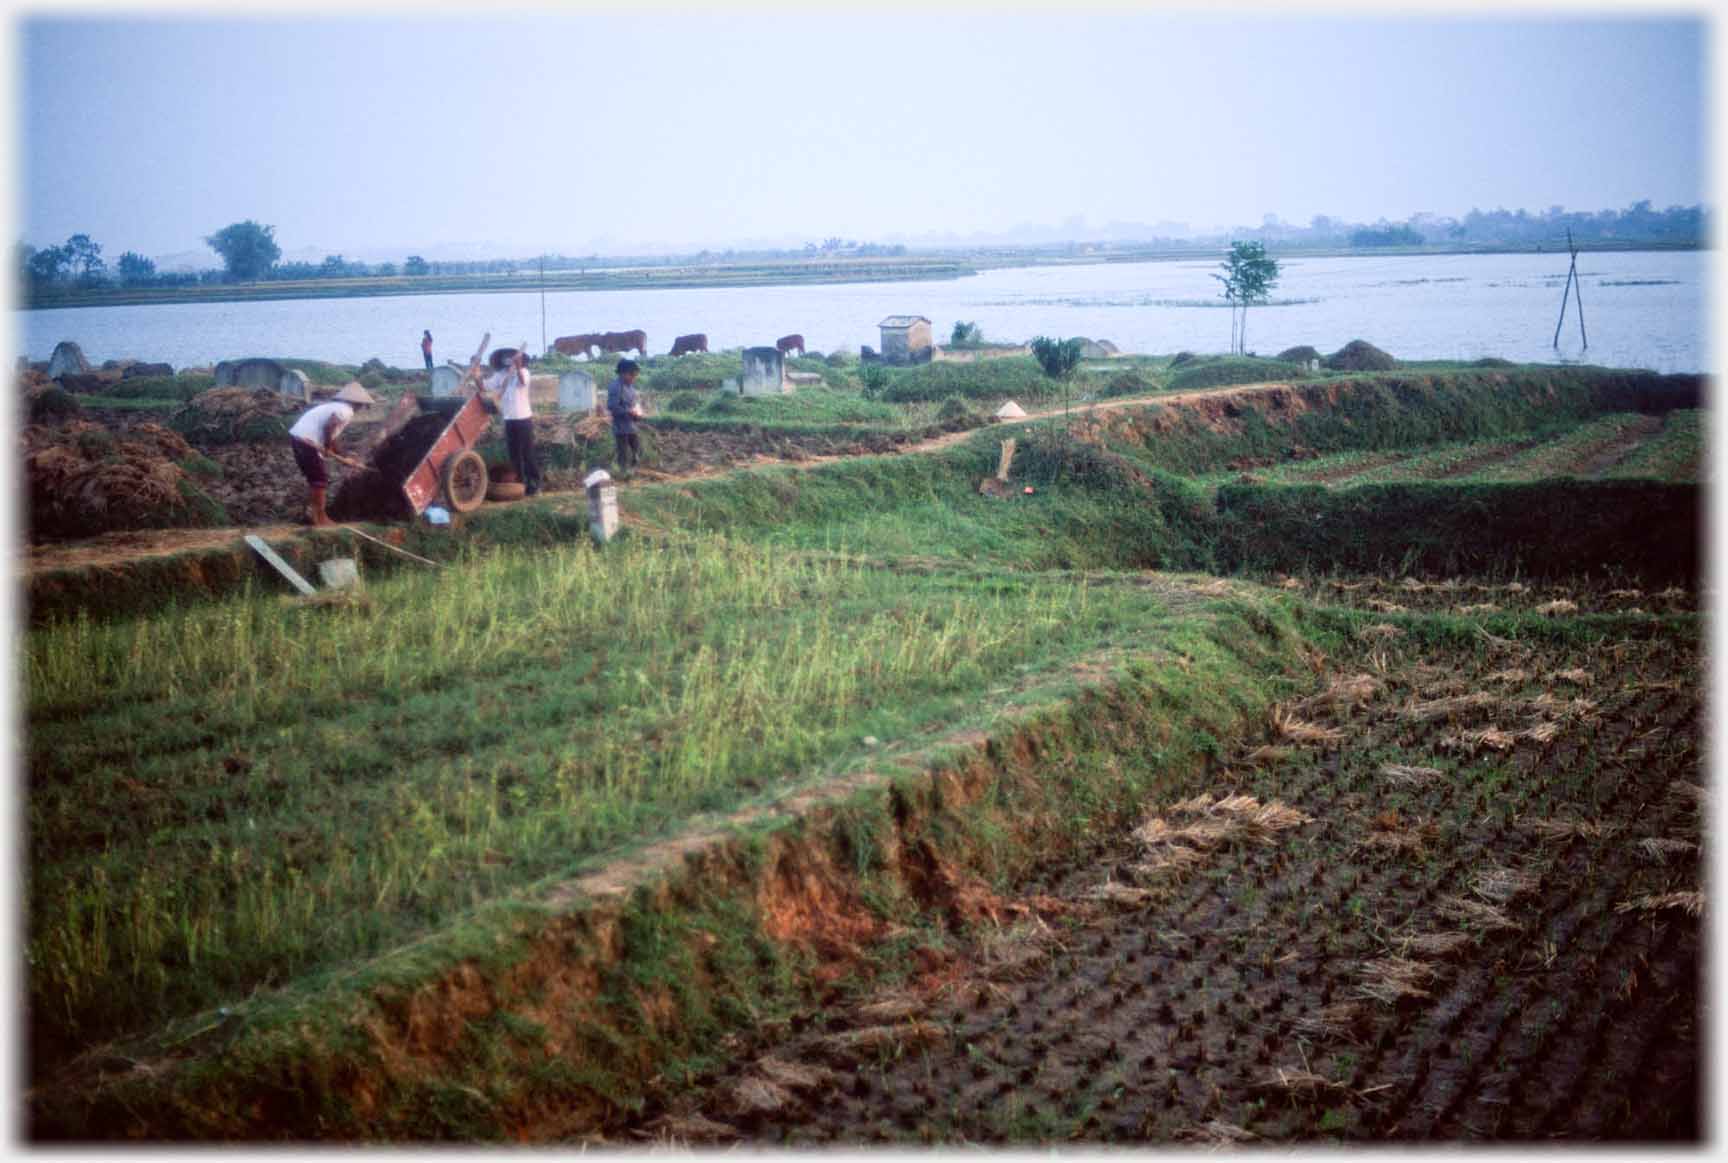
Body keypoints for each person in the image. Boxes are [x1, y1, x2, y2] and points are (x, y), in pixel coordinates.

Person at [288, 382, 376, 526]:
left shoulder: (334, 407)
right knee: (319, 479)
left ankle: (312, 513)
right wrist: (327, 447)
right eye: (361, 404)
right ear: (356, 402)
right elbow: (329, 426)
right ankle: (320, 518)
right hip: (306, 441)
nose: (361, 408)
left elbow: (333, 436)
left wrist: (343, 456)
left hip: (299, 438)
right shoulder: (346, 410)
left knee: (315, 478)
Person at [482, 348, 542, 496]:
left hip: (523, 419)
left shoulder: (524, 373)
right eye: (506, 358)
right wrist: (476, 375)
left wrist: (519, 366)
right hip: (509, 419)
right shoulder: (500, 375)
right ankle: (520, 485)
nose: (508, 360)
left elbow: (522, 380)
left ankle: (535, 484)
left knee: (527, 453)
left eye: (511, 358)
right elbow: (484, 386)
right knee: (514, 455)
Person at [607, 358, 645, 476]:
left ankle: (632, 471)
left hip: (631, 425)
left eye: (635, 375)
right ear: (623, 373)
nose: (634, 378)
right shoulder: (616, 386)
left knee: (637, 449)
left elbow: (634, 405)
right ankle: (623, 474)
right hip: (621, 426)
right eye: (632, 375)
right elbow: (613, 406)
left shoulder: (631, 388)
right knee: (623, 453)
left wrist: (637, 414)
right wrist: (629, 412)